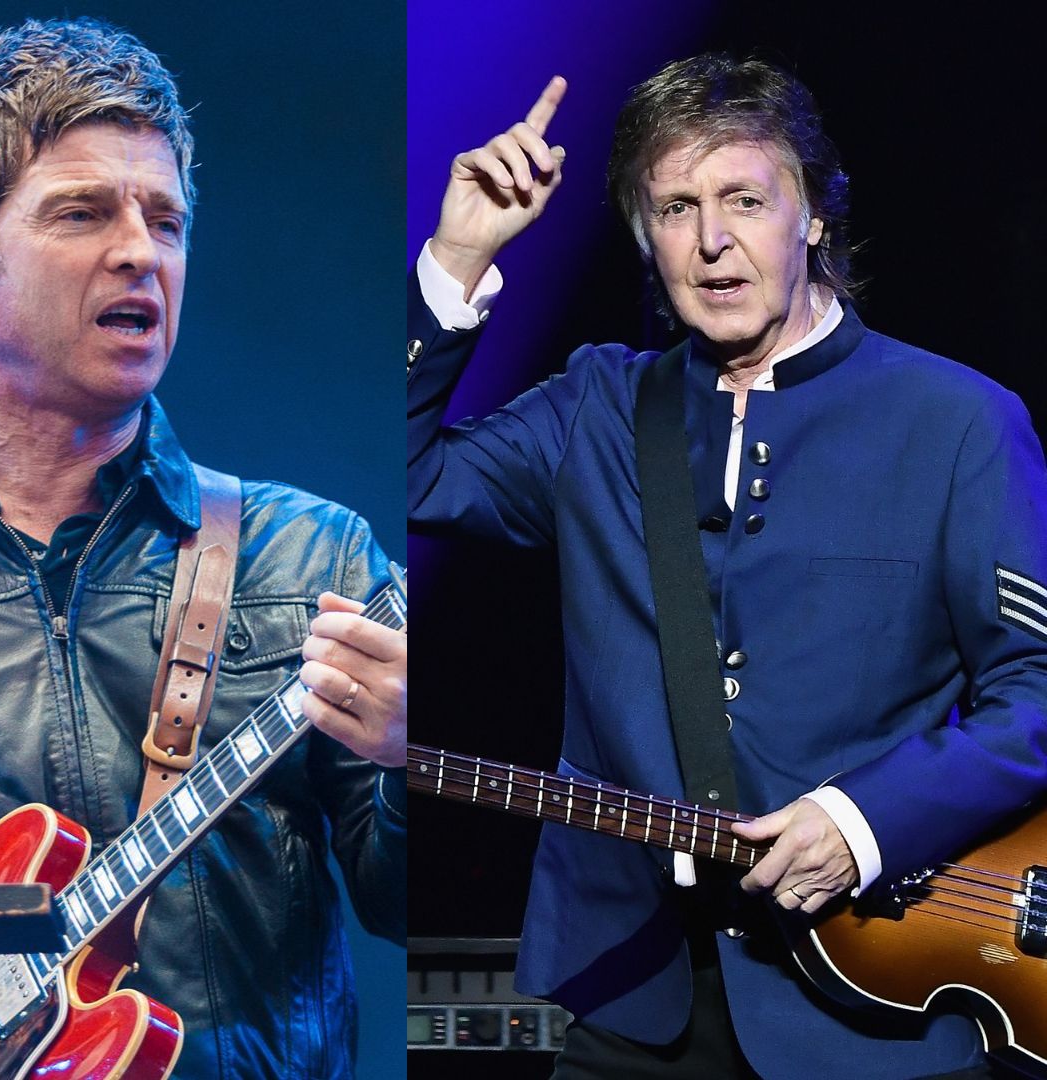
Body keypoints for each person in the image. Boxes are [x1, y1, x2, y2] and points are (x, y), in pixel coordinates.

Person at [0, 17, 407, 1080]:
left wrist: (408, 761)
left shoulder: (311, 556)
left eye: (166, 219)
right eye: (81, 213)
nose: (138, 252)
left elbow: (402, 905)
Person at [409, 54, 1047, 1079]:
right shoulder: (596, 408)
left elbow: (1036, 697)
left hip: (875, 1015)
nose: (712, 242)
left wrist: (862, 823)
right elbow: (402, 478)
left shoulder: (960, 423)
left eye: (745, 199)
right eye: (675, 208)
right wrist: (453, 259)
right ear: (643, 235)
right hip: (622, 994)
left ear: (816, 217)